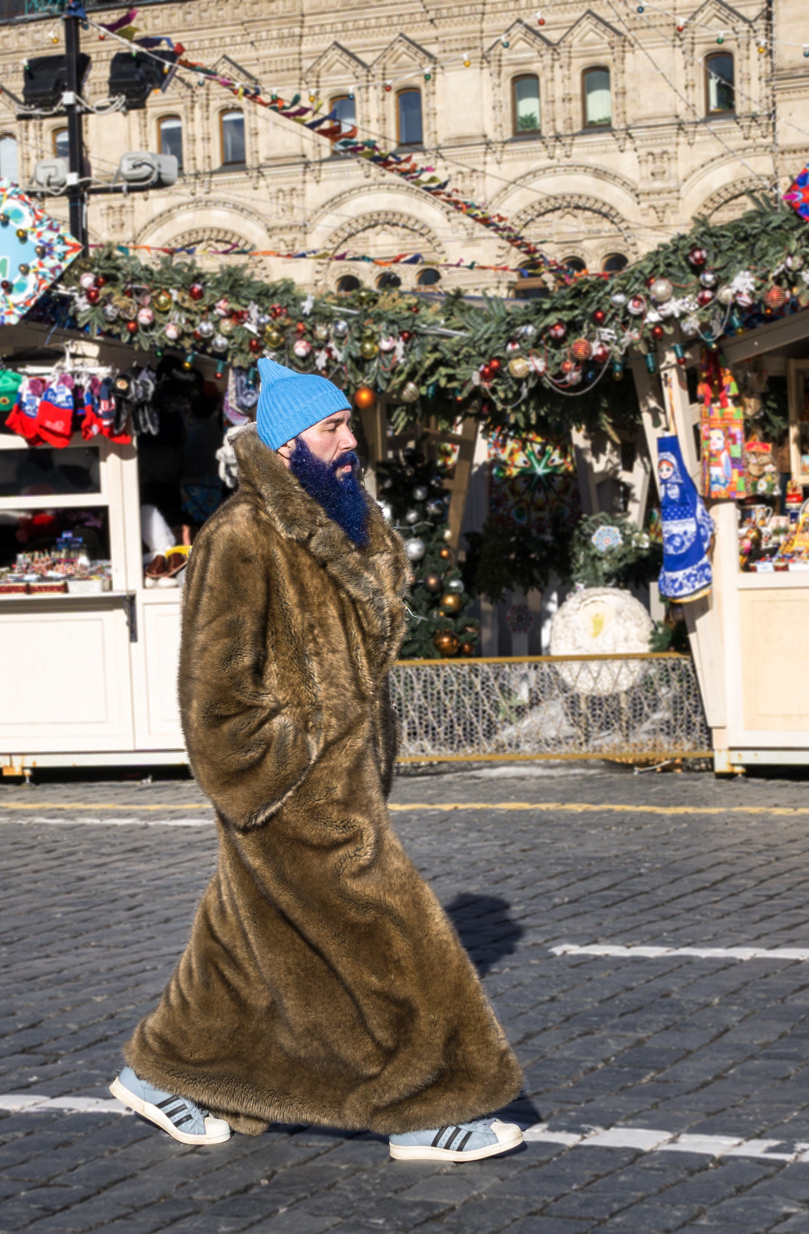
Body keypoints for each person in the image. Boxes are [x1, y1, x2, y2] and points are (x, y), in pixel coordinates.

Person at [111, 358, 525, 1163]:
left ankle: (166, 1070)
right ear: (286, 441)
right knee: (393, 932)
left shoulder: (342, 519)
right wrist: (281, 767)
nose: (350, 443)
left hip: (342, 774)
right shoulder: (241, 534)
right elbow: (214, 694)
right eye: (331, 429)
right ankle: (428, 1102)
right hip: (295, 790)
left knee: (244, 946)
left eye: (347, 426)